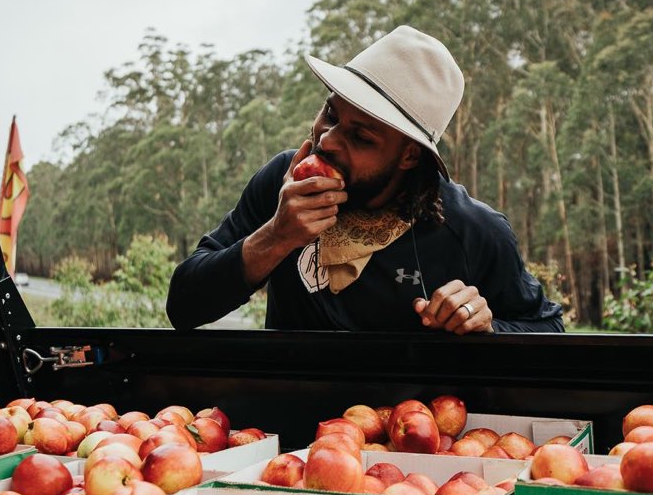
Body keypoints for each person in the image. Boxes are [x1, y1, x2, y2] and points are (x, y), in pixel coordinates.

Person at [167, 25, 563, 334]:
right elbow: (183, 306)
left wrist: (486, 324)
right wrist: (277, 236)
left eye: (361, 136)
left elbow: (549, 329)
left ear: (409, 154)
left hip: (406, 436)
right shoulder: (283, 184)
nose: (327, 139)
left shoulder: (472, 231)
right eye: (331, 114)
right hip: (288, 433)